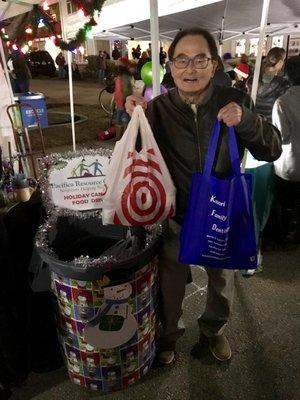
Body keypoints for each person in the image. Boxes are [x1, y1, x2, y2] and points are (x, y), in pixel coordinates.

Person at [125, 27, 282, 365]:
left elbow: (271, 148)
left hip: (221, 211)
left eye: (200, 60)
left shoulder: (236, 101)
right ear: (170, 65)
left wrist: (247, 122)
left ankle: (213, 332)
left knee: (221, 280)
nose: (190, 69)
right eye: (181, 60)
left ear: (214, 66)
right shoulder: (158, 108)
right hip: (176, 212)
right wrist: (133, 120)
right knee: (171, 282)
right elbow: (136, 159)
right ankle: (169, 336)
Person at [271, 56, 300, 244]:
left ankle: (287, 234)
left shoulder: (283, 102)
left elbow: (282, 137)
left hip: (291, 163)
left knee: (287, 201)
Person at [113, 57, 134, 138]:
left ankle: (121, 138)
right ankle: (123, 137)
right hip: (121, 101)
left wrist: (125, 101)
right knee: (124, 119)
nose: (116, 67)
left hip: (122, 101)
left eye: (118, 65)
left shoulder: (123, 76)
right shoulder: (122, 76)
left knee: (121, 119)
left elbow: (125, 90)